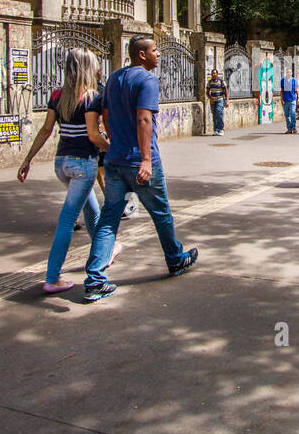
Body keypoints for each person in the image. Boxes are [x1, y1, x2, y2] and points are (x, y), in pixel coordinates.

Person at [83, 35, 197, 302]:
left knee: (109, 219)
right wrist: (145, 159)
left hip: (114, 162)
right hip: (140, 164)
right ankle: (175, 259)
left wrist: (113, 143)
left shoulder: (114, 78)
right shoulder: (147, 80)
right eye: (155, 50)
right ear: (142, 55)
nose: (159, 54)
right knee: (161, 214)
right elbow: (144, 119)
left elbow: (107, 115)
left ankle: (94, 280)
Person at [18, 46, 119, 295]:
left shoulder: (57, 95)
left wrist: (28, 159)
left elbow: (45, 130)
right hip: (83, 164)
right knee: (67, 221)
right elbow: (94, 135)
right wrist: (113, 151)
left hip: (61, 164)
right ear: (87, 68)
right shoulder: (91, 98)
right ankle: (52, 277)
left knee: (93, 211)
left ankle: (102, 254)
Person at [206, 68, 229, 135]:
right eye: (212, 73)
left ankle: (221, 129)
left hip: (220, 99)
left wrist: (227, 101)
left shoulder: (221, 81)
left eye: (214, 73)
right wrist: (211, 99)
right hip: (213, 100)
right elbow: (207, 92)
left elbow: (226, 91)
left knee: (219, 112)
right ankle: (216, 130)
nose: (213, 75)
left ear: (217, 74)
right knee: (214, 115)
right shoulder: (210, 82)